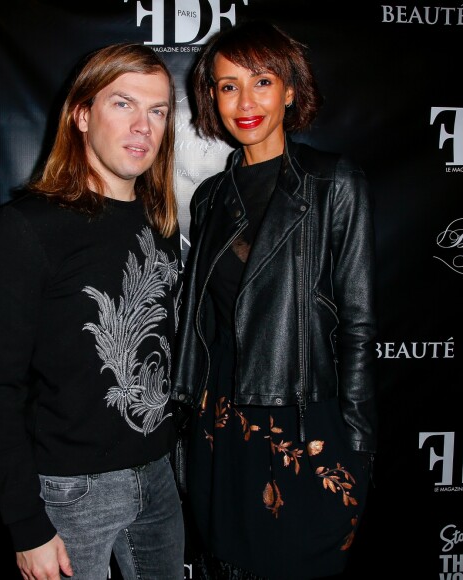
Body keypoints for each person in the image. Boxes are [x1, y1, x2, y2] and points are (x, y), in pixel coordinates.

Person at [172, 20, 378, 580]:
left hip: (303, 424)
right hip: (219, 428)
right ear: (211, 96)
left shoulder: (334, 183)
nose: (245, 101)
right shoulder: (213, 196)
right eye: (228, 85)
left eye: (262, 81)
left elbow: (358, 325)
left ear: (291, 91)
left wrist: (358, 446)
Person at [0, 42, 184, 580]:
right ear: (82, 115)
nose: (144, 125)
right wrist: (27, 526)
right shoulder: (27, 227)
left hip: (160, 478)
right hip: (70, 495)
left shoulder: (161, 222)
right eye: (123, 104)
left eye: (157, 110)